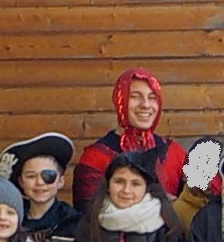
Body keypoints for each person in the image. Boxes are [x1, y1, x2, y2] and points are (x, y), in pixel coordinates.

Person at [72, 68, 188, 209]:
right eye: (135, 96)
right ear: (120, 100)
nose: (145, 105)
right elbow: (87, 216)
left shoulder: (174, 153)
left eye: (152, 97)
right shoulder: (96, 158)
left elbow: (190, 210)